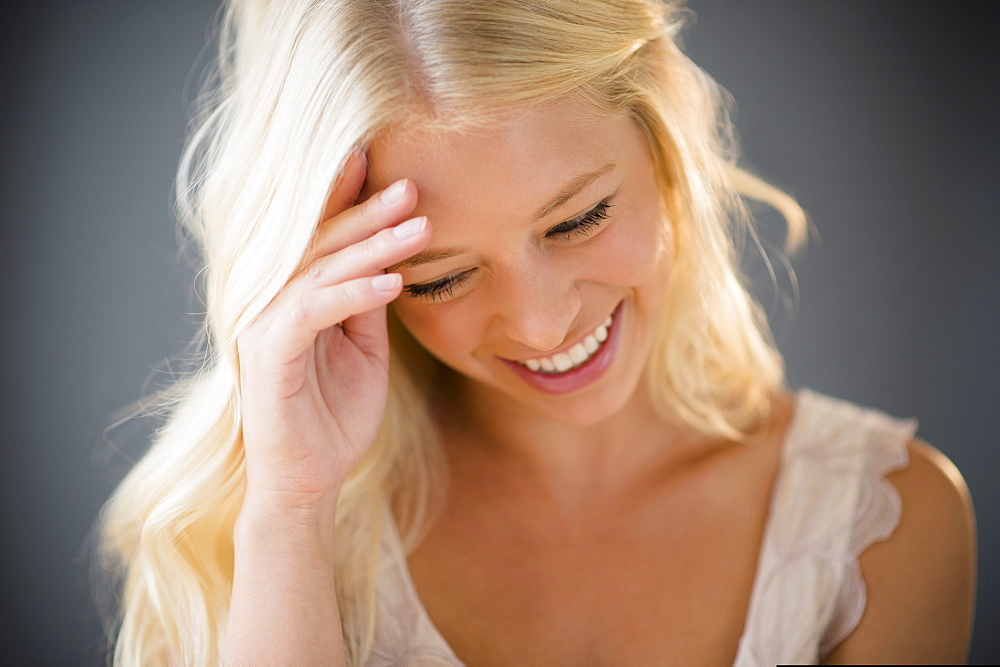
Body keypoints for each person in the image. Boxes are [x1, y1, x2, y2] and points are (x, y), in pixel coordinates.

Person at [98, 0, 976, 664]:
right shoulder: (245, 545)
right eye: (440, 274)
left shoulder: (886, 526)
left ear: (663, 149)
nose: (543, 320)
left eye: (579, 218)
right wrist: (289, 509)